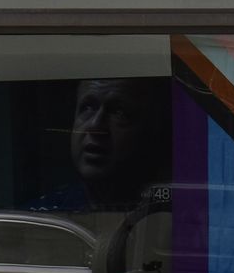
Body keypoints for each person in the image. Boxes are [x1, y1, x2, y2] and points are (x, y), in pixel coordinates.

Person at [30, 77, 165, 212]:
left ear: (153, 129)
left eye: (119, 112)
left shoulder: (175, 211)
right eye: (88, 107)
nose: (95, 126)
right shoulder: (39, 216)